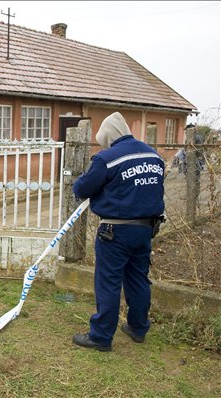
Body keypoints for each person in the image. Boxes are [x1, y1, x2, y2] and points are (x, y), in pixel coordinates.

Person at [71, 112, 165, 351]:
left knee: (108, 282)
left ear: (109, 136)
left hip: (115, 232)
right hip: (146, 229)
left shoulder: (107, 159)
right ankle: (138, 327)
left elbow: (82, 188)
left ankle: (101, 337)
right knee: (138, 279)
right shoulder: (153, 155)